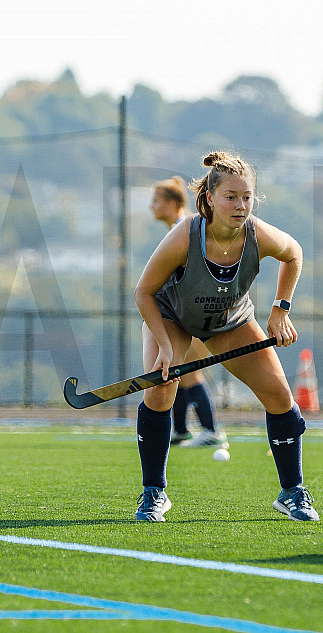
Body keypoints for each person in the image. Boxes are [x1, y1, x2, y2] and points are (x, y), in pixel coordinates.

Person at [132, 151, 318, 522]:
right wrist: (167, 349)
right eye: (231, 196)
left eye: (246, 197)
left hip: (230, 321)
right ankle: (154, 492)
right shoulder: (184, 236)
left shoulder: (258, 234)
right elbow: (144, 292)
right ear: (210, 198)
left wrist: (280, 309)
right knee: (161, 389)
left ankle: (293, 492)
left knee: (280, 395)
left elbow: (293, 253)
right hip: (174, 317)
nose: (240, 205)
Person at [149, 176, 227, 449]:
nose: (152, 207)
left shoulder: (185, 227)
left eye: (156, 201)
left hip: (195, 316)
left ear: (172, 204)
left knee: (191, 374)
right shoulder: (177, 229)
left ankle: (212, 431)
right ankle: (181, 431)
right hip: (184, 316)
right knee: (178, 375)